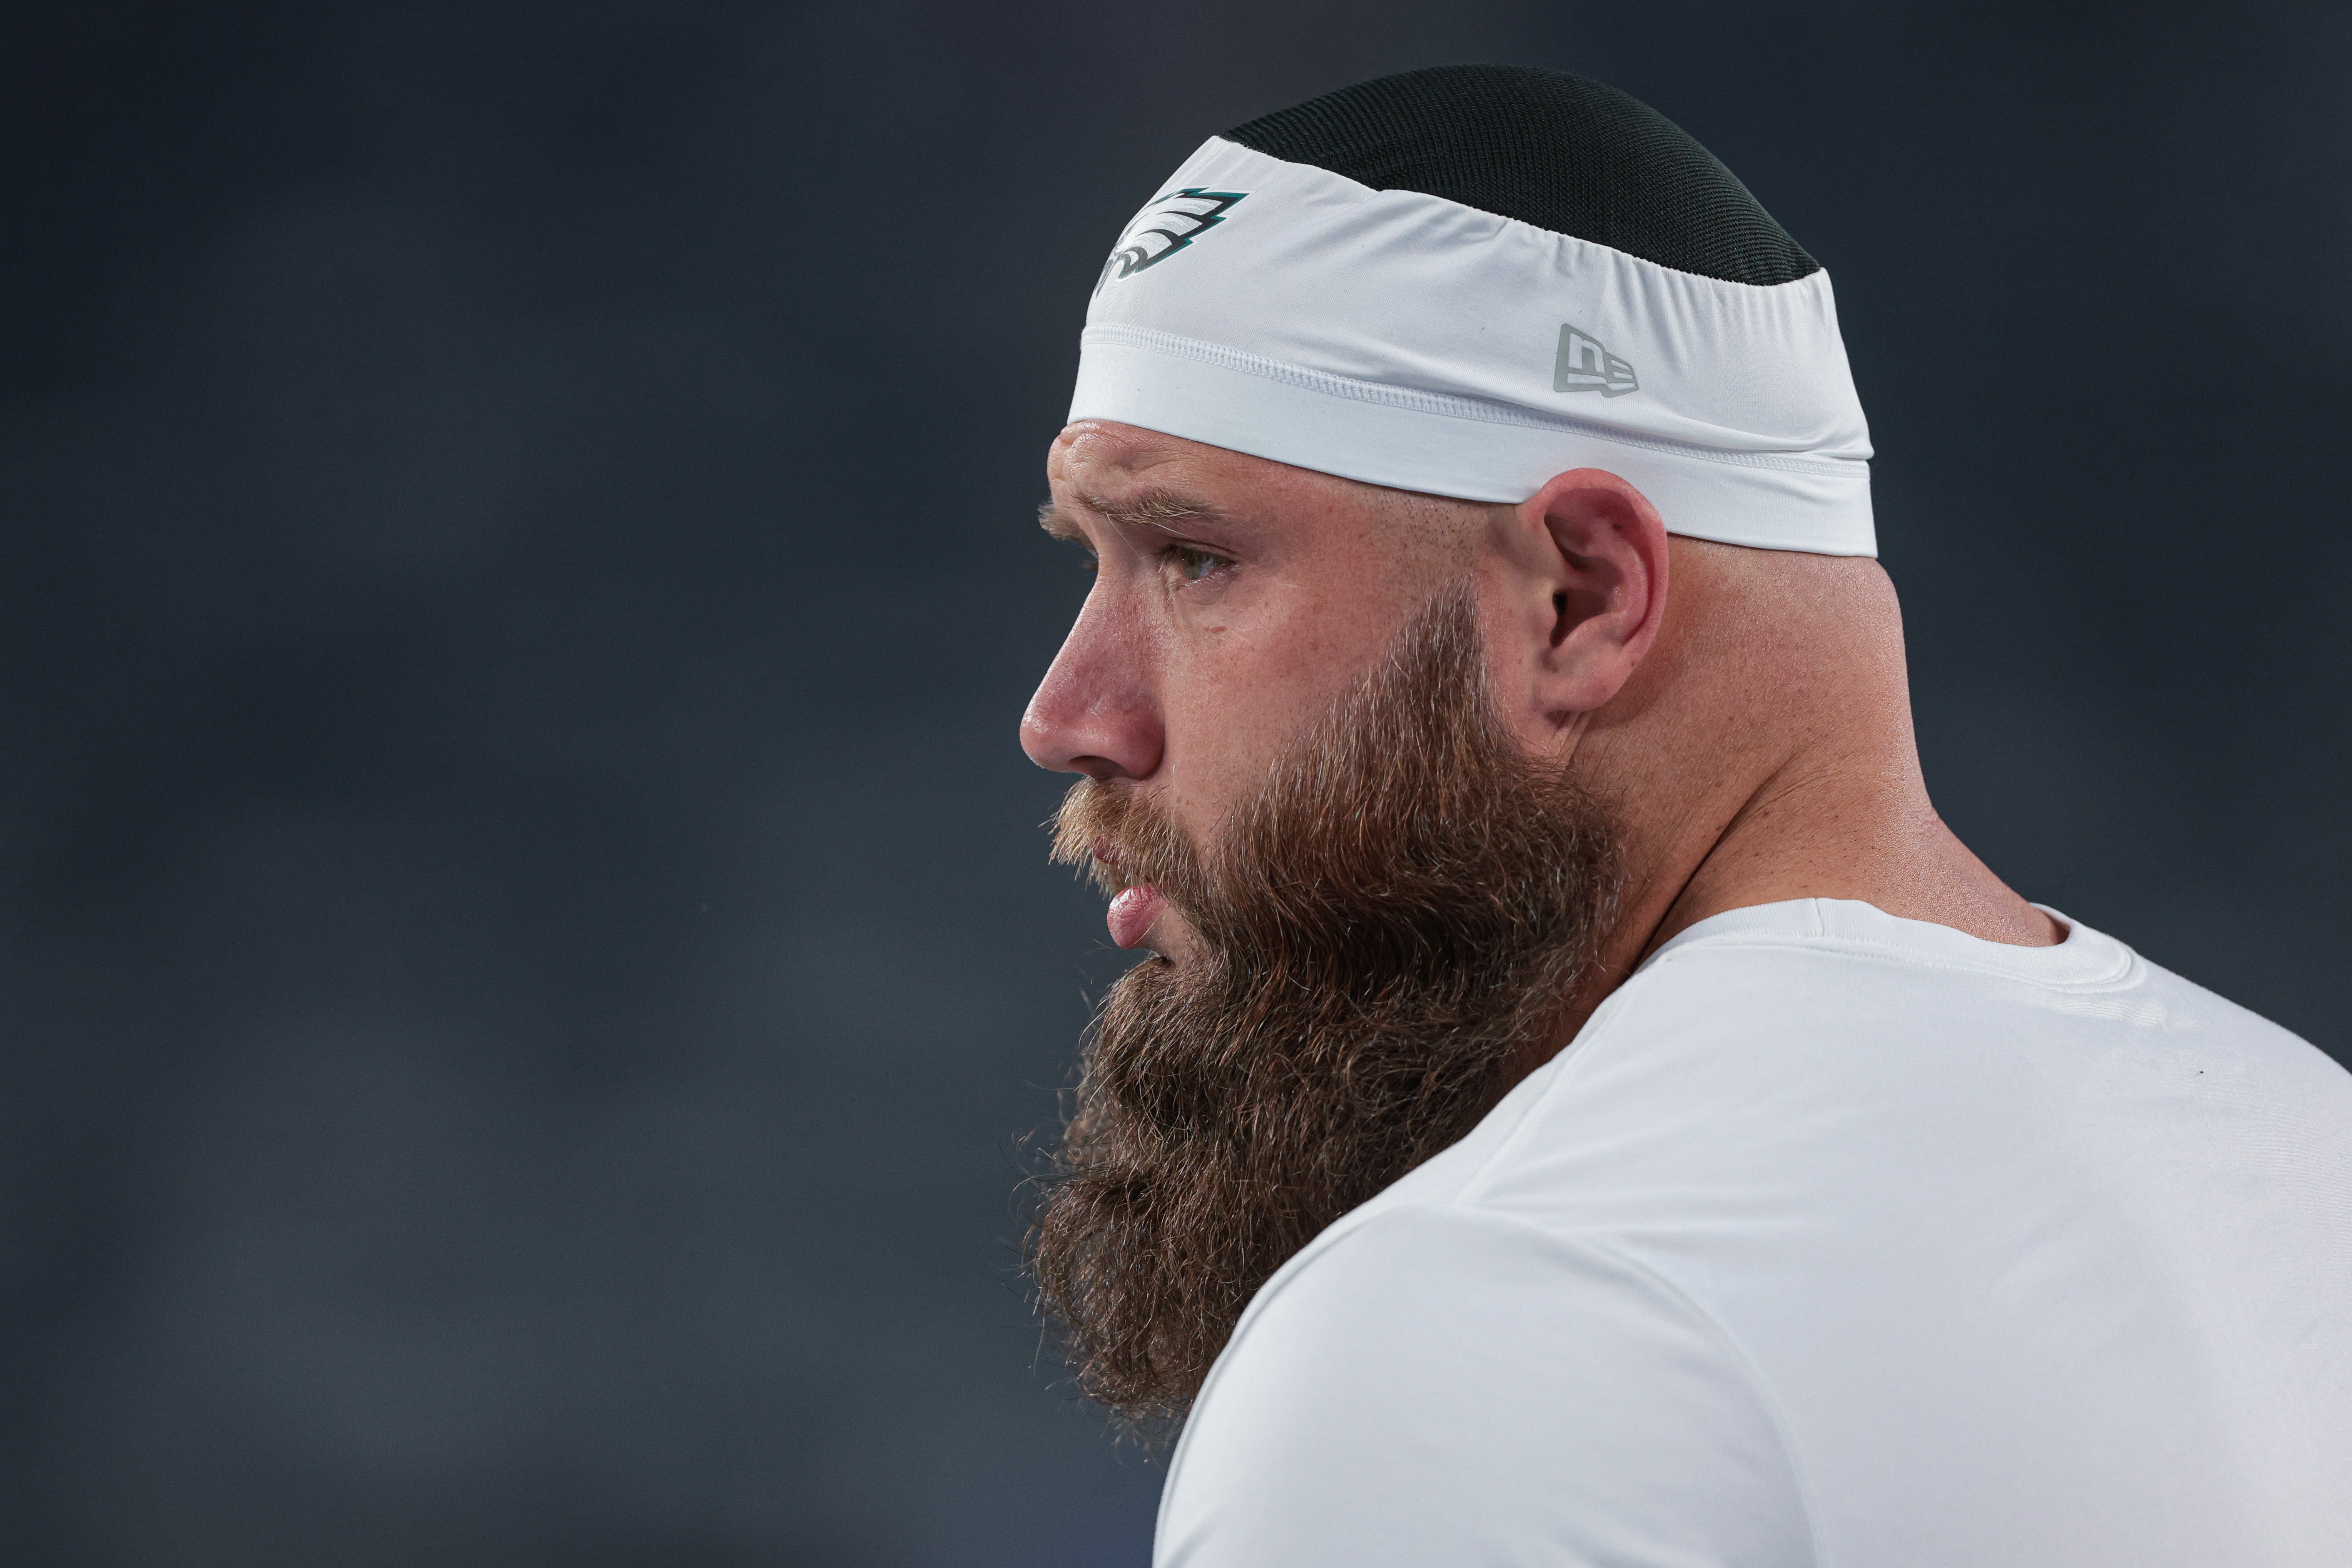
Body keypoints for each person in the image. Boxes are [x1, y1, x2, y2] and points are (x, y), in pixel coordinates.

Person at [1017, 65, 2352, 1567]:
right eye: (1093, 562)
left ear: (1582, 599)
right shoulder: (2307, 1152)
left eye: (1190, 557)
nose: (1068, 716)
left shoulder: (1499, 1323)